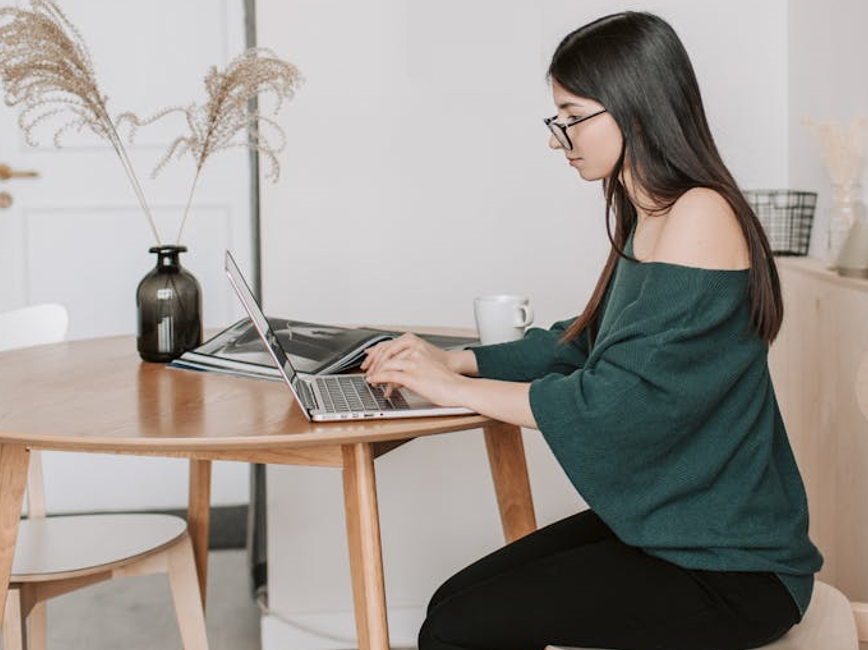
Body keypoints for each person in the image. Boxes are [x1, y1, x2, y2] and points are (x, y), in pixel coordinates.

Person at [361, 10, 822, 650]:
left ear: (634, 108)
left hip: (733, 565)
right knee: (451, 606)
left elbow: (613, 404)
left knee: (458, 630)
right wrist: (457, 360)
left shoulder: (701, 215)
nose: (558, 138)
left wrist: (452, 389)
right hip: (670, 526)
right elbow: (582, 344)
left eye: (572, 116)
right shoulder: (652, 212)